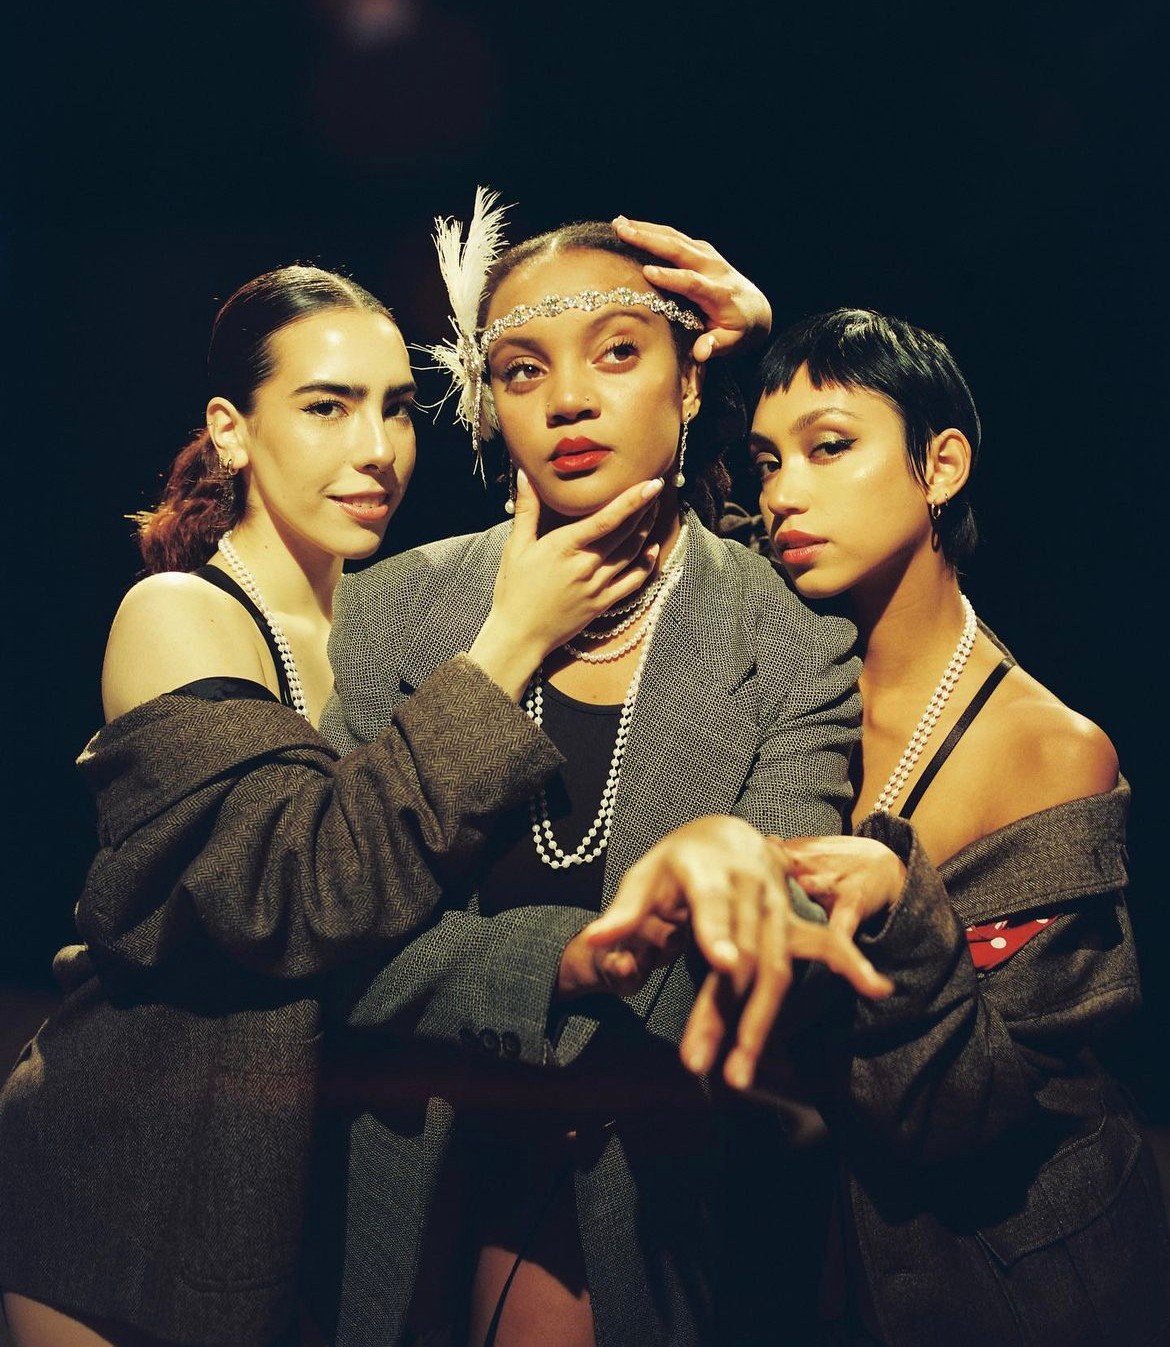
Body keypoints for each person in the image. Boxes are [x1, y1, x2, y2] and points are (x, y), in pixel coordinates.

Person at [0, 262, 678, 1347]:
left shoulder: (389, 622)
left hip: (298, 1213)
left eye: (396, 408)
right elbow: (294, 890)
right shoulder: (180, 614)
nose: (377, 449)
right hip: (128, 1190)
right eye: (327, 407)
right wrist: (511, 642)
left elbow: (685, 590)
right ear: (231, 431)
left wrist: (712, 372)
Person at [308, 199, 893, 1347]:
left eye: (617, 353)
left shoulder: (792, 640)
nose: (567, 400)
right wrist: (563, 961)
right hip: (405, 1191)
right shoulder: (392, 608)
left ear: (690, 382)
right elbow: (336, 935)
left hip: (655, 1207)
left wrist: (738, 892)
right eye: (522, 370)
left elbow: (778, 928)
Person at [587, 307, 1170, 1345]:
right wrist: (727, 345)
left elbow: (972, 1112)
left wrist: (903, 908)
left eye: (830, 447)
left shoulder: (1049, 751)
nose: (784, 494)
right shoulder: (772, 660)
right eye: (768, 462)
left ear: (940, 466)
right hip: (783, 1267)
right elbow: (662, 519)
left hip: (1014, 1279)